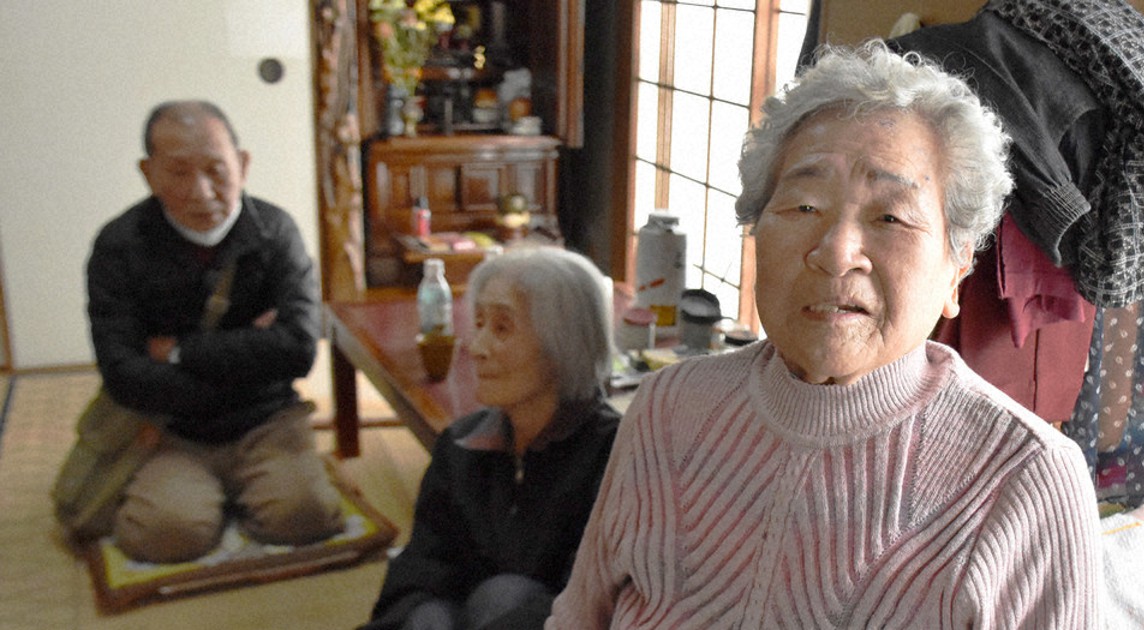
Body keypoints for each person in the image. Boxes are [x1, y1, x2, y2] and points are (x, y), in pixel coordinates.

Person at [547, 41, 1100, 628]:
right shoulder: (665, 409)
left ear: (956, 269)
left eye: (891, 217)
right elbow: (578, 618)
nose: (837, 252)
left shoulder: (1023, 481)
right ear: (757, 232)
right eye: (804, 206)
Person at [83, 100, 343, 562]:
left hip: (267, 421)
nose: (201, 192)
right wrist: (251, 354)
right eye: (179, 172)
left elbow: (299, 349)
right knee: (166, 535)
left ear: (242, 164)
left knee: (305, 518)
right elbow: (122, 372)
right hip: (173, 428)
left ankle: (247, 490)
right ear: (148, 173)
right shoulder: (119, 246)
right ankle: (213, 496)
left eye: (216, 170)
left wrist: (178, 352)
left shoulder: (275, 232)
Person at [363, 246, 621, 630]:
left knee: (504, 596)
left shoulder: (615, 456)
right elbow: (420, 567)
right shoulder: (462, 445)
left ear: (563, 344)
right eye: (479, 323)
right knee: (428, 615)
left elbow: (589, 602)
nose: (476, 348)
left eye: (501, 328)